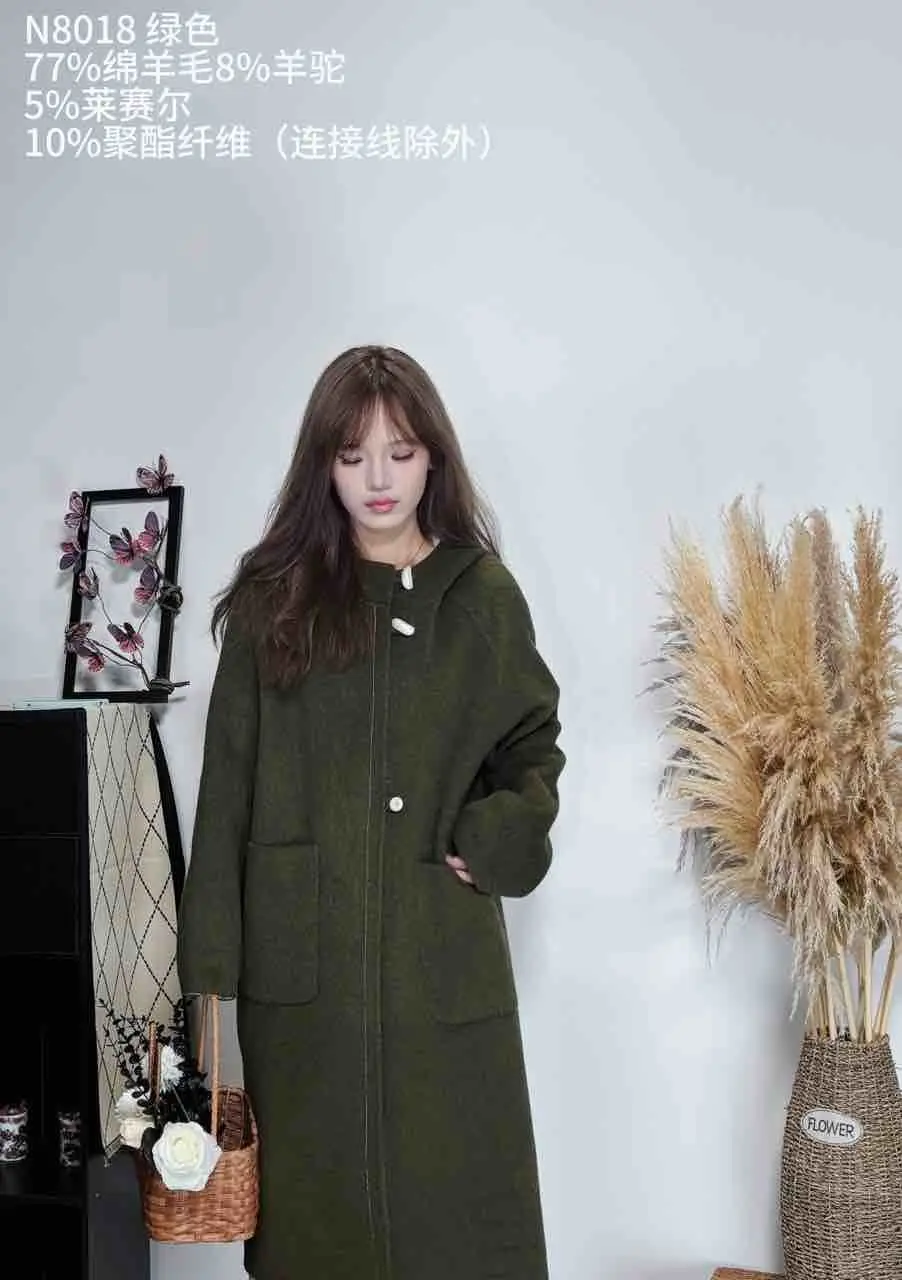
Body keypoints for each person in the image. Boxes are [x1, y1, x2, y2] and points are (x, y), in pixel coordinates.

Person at [176, 344, 566, 1280]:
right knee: (317, 1230)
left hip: (440, 962)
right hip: (303, 979)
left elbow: (532, 748)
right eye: (353, 456)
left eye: (401, 452)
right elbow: (225, 793)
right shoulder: (275, 601)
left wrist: (495, 835)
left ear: (434, 458)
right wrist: (210, 986)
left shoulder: (480, 596)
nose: (379, 479)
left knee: (460, 1226)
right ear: (324, 465)